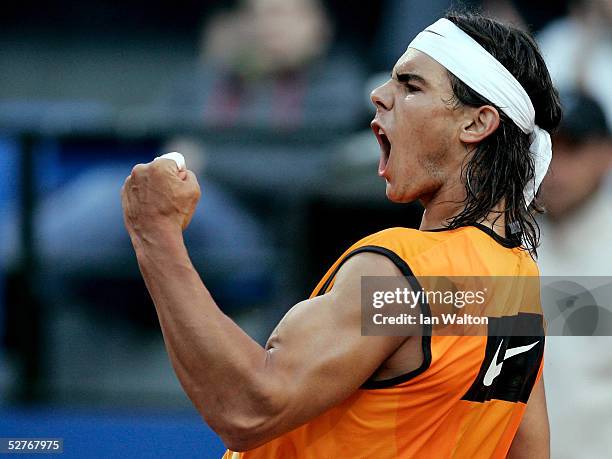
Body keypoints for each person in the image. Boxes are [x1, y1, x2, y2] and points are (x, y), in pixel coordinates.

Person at [121, 11, 561, 458]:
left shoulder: (400, 274)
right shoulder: (518, 286)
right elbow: (530, 450)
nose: (377, 95)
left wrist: (155, 234)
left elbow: (250, 409)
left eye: (411, 86)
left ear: (476, 123)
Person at [537, 92, 612, 459]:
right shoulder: (501, 240)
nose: (555, 168)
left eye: (572, 148)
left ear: (605, 154)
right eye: (547, 149)